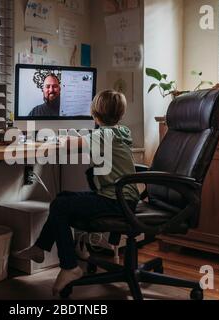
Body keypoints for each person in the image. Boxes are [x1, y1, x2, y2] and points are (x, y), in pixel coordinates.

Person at [13, 90, 140, 296]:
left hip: (116, 201)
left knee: (60, 206)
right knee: (63, 198)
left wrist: (56, 139)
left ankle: (69, 265)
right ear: (121, 114)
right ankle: (40, 248)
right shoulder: (121, 132)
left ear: (94, 114)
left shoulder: (103, 135)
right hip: (122, 199)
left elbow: (70, 144)